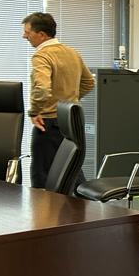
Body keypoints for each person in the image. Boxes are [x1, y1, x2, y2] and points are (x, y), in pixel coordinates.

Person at [22, 12, 94, 189]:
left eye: (27, 32)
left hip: (49, 122)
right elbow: (89, 82)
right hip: (72, 120)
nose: (24, 36)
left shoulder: (42, 56)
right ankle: (85, 213)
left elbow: (42, 88)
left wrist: (35, 111)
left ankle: (43, 216)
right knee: (71, 169)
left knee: (42, 175)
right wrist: (68, 103)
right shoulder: (71, 52)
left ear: (41, 35)